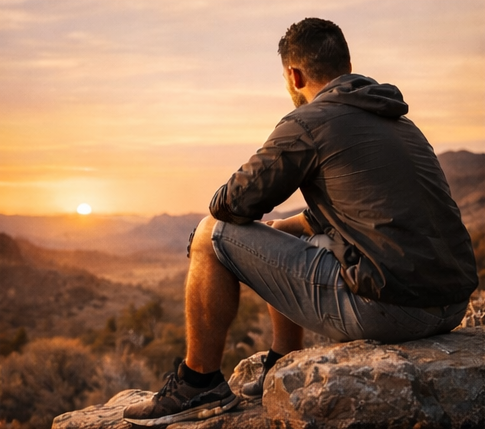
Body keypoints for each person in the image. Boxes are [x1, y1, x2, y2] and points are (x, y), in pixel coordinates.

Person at [123, 17, 478, 426]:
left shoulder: (309, 121)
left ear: (294, 74)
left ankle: (198, 384)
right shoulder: (397, 120)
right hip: (450, 306)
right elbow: (364, 213)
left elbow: (228, 205)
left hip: (392, 310)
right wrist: (282, 231)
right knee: (283, 232)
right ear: (345, 64)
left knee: (209, 234)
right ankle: (282, 363)